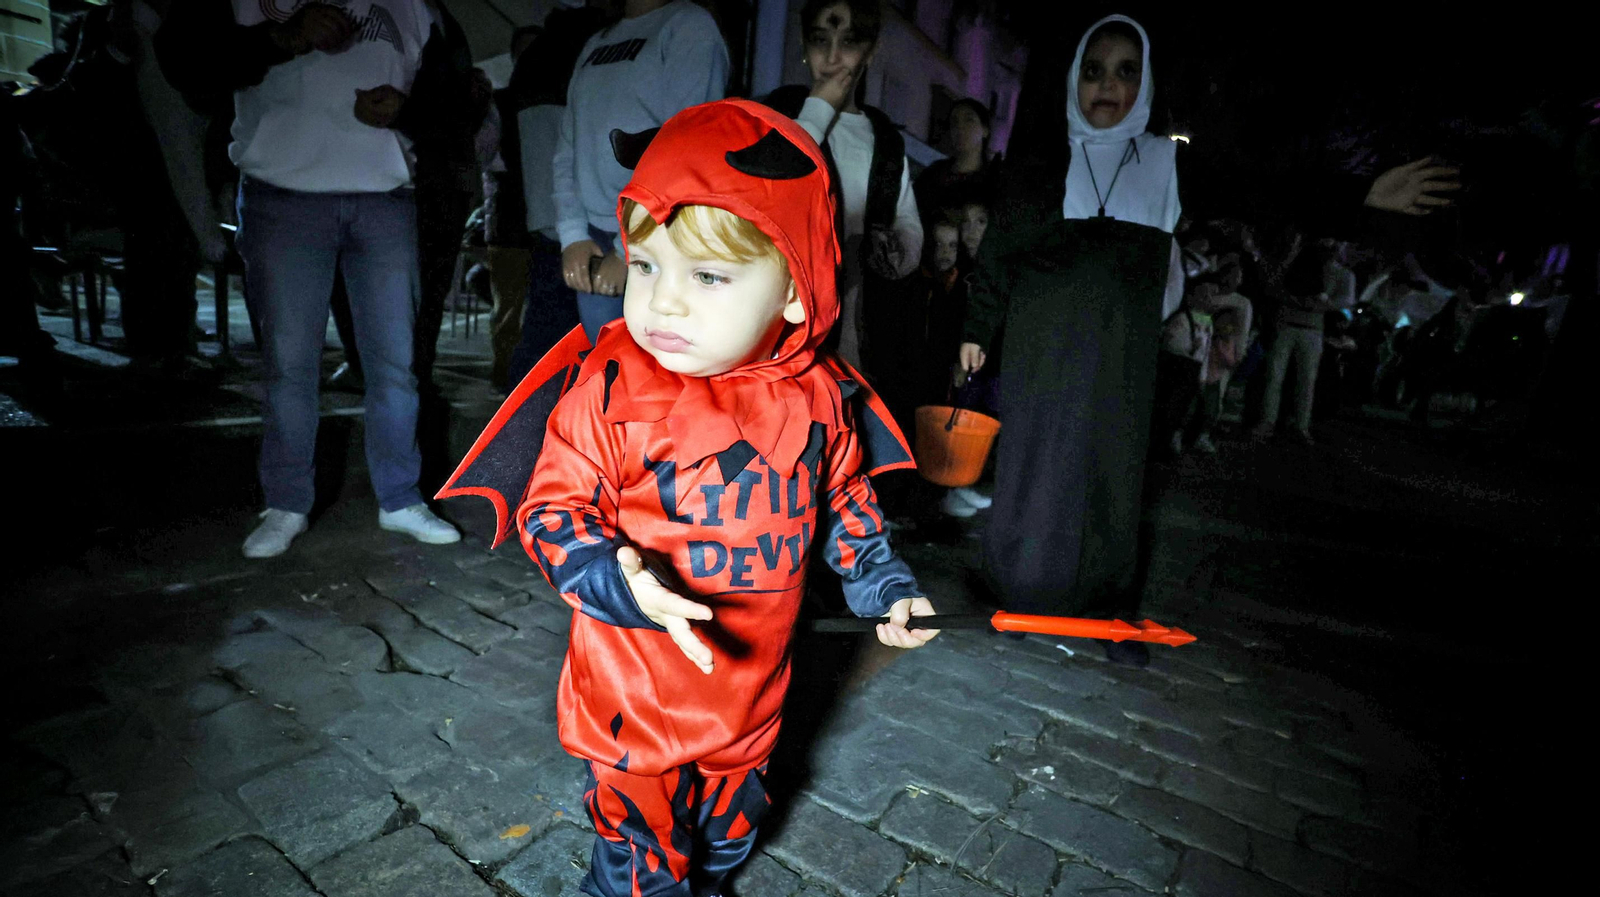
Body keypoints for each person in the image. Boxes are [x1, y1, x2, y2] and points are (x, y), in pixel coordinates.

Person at [439, 100, 938, 897]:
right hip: (633, 703)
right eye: (645, 265)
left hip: (752, 701)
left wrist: (884, 584)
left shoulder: (819, 397)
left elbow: (845, 498)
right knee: (642, 870)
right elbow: (550, 511)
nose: (663, 301)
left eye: (707, 275)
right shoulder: (609, 385)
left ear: (798, 294)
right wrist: (613, 576)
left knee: (726, 845)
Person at [156, 0, 461, 557]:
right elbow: (183, 63)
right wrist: (280, 38)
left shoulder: (416, 6)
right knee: (289, 365)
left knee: (397, 363)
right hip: (281, 196)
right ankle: (287, 502)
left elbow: (454, 102)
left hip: (387, 197)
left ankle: (401, 498)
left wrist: (408, 111)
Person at [957, 14, 1182, 666]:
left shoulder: (1163, 163)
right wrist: (977, 331)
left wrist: (1363, 195)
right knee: (1035, 467)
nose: (1106, 85)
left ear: (1144, 84)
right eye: (1092, 70)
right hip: (1041, 345)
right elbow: (999, 253)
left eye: (1124, 71)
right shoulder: (1040, 165)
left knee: (1113, 471)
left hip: (1120, 355)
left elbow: (1268, 190)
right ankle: (1016, 596)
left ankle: (1106, 611)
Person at [553, 0, 729, 344]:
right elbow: (568, 146)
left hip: (658, 236)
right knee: (606, 373)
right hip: (595, 239)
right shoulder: (597, 42)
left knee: (651, 379)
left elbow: (688, 148)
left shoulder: (689, 26)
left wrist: (630, 249)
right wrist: (572, 232)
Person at [764, 0, 923, 372]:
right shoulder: (781, 113)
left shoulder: (883, 136)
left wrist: (896, 247)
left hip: (862, 317)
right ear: (804, 46)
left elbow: (907, 219)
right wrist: (819, 107)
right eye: (821, 41)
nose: (833, 58)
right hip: (788, 315)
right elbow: (773, 183)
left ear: (870, 50)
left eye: (848, 43)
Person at [502, 0, 613, 390]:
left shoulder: (539, 56)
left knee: (544, 338)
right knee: (579, 341)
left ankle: (521, 434)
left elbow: (513, 147)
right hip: (583, 217)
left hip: (547, 212)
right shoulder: (597, 45)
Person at [1253, 238, 1356, 443]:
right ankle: (1274, 422)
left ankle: (1297, 424)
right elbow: (1273, 286)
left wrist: (1315, 304)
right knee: (1279, 376)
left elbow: (1346, 300)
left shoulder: (1339, 273)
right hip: (1295, 325)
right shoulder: (1301, 265)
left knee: (1303, 379)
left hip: (1308, 327)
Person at [914, 98, 998, 232]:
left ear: (985, 130)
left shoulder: (994, 181)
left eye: (969, 120)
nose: (960, 127)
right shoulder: (933, 175)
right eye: (954, 122)